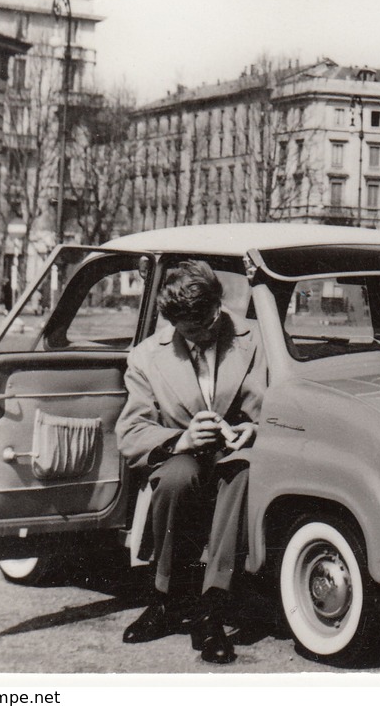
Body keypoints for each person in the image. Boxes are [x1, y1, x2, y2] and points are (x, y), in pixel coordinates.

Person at [116, 260, 267, 664]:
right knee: (178, 477)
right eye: (190, 332)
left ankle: (211, 607)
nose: (202, 336)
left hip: (236, 452)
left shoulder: (255, 339)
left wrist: (253, 430)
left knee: (241, 471)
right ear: (173, 324)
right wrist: (180, 439)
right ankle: (166, 600)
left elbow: (272, 406)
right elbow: (130, 433)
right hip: (181, 455)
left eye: (209, 322)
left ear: (218, 304)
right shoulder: (146, 357)